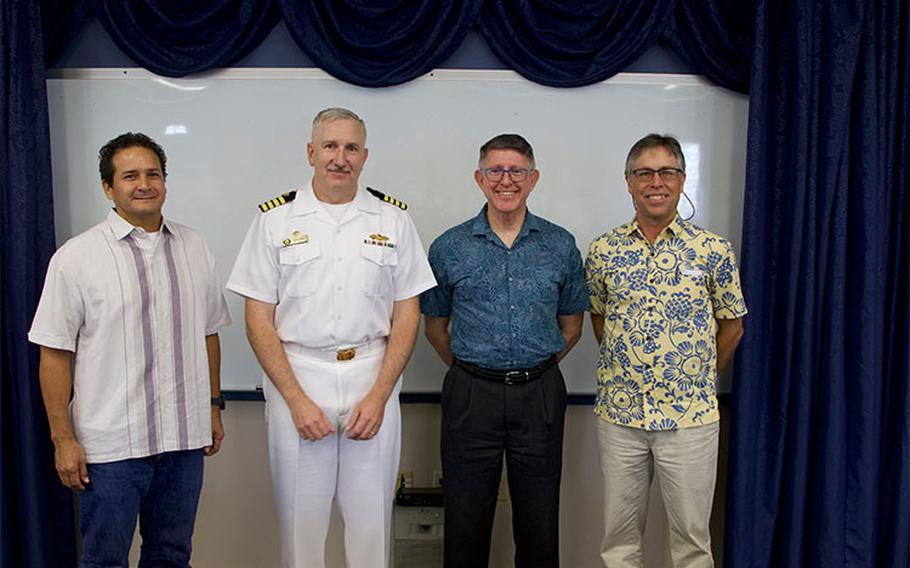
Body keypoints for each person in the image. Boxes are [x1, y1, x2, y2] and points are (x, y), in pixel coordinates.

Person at [227, 107, 436, 568]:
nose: (339, 158)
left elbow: (408, 313)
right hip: (298, 377)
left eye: (351, 148)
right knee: (301, 531)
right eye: (329, 146)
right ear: (310, 152)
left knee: (370, 529)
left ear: (364, 157)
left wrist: (380, 395)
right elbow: (258, 320)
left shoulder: (393, 220)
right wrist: (297, 400)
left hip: (371, 375)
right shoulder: (274, 221)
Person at [29, 132, 231, 567]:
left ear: (165, 181)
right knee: (105, 561)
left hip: (182, 442)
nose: (144, 184)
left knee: (171, 556)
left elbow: (208, 332)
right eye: (130, 176)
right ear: (108, 187)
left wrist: (213, 406)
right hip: (111, 449)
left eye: (153, 174)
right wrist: (63, 438)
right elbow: (54, 353)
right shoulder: (76, 258)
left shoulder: (194, 247)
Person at [421, 133, 588, 567]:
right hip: (471, 395)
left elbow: (572, 326)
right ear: (480, 178)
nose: (506, 180)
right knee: (464, 521)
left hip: (540, 394)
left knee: (539, 523)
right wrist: (472, 371)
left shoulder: (560, 245)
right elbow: (435, 327)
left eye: (517, 171)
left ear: (533, 179)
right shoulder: (448, 247)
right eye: (496, 170)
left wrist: (536, 368)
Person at [585, 133, 747, 567]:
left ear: (682, 179)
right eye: (644, 172)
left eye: (667, 172)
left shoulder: (712, 249)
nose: (655, 181)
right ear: (628, 182)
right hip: (620, 417)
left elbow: (732, 325)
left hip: (690, 419)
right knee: (618, 542)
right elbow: (600, 319)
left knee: (692, 542)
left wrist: (698, 373)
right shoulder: (603, 250)